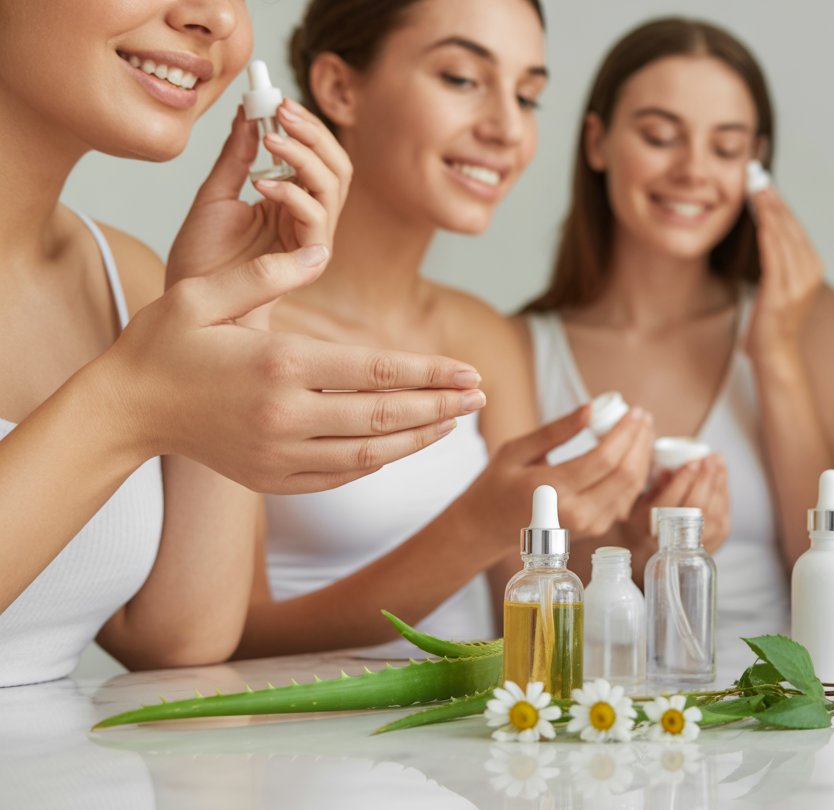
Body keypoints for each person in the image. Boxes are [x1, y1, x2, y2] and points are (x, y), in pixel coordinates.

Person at [0, 0, 481, 686]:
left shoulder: (123, 280)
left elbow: (180, 638)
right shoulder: (135, 344)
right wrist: (123, 404)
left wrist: (235, 307)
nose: (217, 17)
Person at [234, 0, 656, 658]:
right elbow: (213, 641)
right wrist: (478, 526)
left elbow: (530, 620)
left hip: (465, 754)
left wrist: (629, 545)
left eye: (528, 96)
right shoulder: (239, 325)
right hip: (291, 746)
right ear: (340, 88)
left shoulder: (483, 336)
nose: (508, 129)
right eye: (461, 79)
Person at [520, 18, 834, 657]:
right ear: (598, 142)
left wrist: (774, 352)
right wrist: (630, 551)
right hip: (606, 705)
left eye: (726, 147)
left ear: (756, 164)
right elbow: (510, 600)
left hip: (778, 707)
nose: (692, 171)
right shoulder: (519, 347)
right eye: (660, 136)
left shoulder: (812, 318)